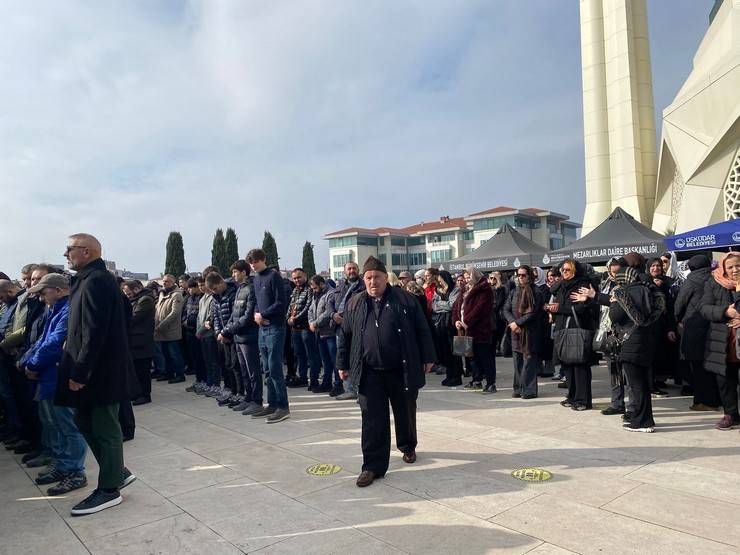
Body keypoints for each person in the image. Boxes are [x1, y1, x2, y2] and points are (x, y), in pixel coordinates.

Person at [337, 256, 435, 487]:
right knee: (372, 419)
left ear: (385, 278)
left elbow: (423, 329)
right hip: (369, 371)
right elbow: (345, 337)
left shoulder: (406, 300)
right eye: (369, 278)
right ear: (364, 279)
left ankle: (407, 446)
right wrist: (342, 364)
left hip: (401, 368)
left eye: (377, 277)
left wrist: (428, 357)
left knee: (405, 410)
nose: (373, 282)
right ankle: (372, 466)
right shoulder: (354, 303)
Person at [57, 233, 137, 516]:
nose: (66, 254)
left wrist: (81, 370)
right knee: (83, 418)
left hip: (99, 371)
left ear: (87, 252)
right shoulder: (87, 280)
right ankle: (117, 470)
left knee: (105, 426)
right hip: (93, 367)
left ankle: (108, 490)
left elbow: (94, 332)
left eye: (70, 249)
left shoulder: (97, 282)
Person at [18, 273, 89, 494]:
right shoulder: (54, 309)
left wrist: (33, 365)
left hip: (58, 374)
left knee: (68, 425)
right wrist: (28, 361)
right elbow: (41, 339)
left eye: (43, 292)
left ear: (59, 290)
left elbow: (54, 343)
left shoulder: (68, 310)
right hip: (48, 376)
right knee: (53, 423)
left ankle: (75, 471)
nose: (40, 297)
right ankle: (63, 464)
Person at [608, 266, 659, 432]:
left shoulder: (623, 293)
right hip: (647, 341)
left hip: (630, 343)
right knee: (643, 383)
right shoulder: (648, 290)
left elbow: (615, 317)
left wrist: (614, 303)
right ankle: (644, 418)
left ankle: (643, 422)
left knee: (637, 386)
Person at [546, 259, 597, 411]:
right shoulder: (561, 286)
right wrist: (552, 309)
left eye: (567, 270)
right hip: (563, 329)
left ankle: (583, 400)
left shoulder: (582, 284)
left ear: (575, 270)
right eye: (562, 270)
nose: (564, 272)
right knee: (567, 364)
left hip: (577, 329)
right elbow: (556, 297)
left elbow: (581, 309)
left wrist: (559, 308)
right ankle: (572, 396)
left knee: (580, 365)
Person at [248, 248, 290, 423]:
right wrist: (257, 315)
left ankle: (283, 406)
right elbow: (257, 301)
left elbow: (281, 303)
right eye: (251, 263)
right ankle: (272, 404)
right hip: (262, 328)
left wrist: (263, 314)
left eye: (256, 261)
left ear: (263, 259)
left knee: (275, 368)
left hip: (275, 328)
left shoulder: (274, 276)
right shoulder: (256, 279)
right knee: (266, 369)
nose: (253, 265)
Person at [674, 255, 720, 410]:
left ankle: (704, 401)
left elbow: (679, 305)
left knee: (698, 368)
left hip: (694, 328)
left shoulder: (691, 281)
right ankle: (716, 399)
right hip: (715, 327)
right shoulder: (717, 278)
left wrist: (677, 319)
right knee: (713, 366)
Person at [700, 252, 740, 431]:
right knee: (725, 382)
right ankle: (731, 415)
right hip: (722, 343)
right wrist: (725, 312)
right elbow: (704, 308)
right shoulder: (713, 283)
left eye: (738, 265)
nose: (735, 270)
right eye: (730, 267)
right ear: (723, 268)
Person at [220, 261, 262, 415]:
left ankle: (257, 401)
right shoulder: (240, 289)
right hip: (238, 337)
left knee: (253, 371)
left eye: (235, 272)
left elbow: (247, 316)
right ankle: (248, 398)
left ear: (244, 272)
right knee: (243, 370)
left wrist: (229, 330)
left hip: (248, 336)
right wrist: (227, 330)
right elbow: (234, 314)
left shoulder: (251, 288)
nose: (233, 275)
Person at [504, 265, 545, 399]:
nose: (520, 278)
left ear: (529, 276)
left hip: (530, 332)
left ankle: (529, 390)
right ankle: (518, 388)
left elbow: (534, 313)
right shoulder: (514, 291)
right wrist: (512, 323)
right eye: (518, 275)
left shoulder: (536, 292)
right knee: (517, 363)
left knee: (529, 363)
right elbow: (506, 309)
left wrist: (518, 323)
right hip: (515, 331)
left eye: (523, 275)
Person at [453, 266, 497, 393]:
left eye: (469, 277)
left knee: (485, 357)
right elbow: (457, 307)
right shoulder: (463, 290)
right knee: (472, 358)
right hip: (465, 330)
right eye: (465, 278)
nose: (467, 280)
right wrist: (456, 320)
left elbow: (480, 309)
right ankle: (476, 380)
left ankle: (490, 383)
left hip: (480, 329)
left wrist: (466, 321)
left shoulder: (485, 290)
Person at [207, 272, 241, 407]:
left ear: (221, 283)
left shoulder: (233, 294)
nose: (214, 292)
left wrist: (226, 333)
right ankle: (232, 392)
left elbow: (234, 316)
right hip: (222, 336)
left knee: (236, 366)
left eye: (215, 288)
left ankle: (240, 393)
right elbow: (215, 317)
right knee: (227, 365)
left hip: (233, 336)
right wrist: (218, 332)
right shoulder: (216, 297)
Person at [333, 261, 366, 400]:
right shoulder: (341, 286)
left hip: (355, 326)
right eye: (349, 269)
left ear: (358, 271)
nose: (351, 271)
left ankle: (361, 390)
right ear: (344, 271)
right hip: (339, 326)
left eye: (354, 268)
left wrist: (346, 317)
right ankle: (348, 388)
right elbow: (330, 302)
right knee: (343, 356)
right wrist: (333, 315)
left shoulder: (363, 286)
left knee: (357, 358)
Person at [647, 257, 678, 397]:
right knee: (651, 357)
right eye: (652, 266)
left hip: (663, 326)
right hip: (649, 326)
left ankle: (657, 381)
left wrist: (671, 328)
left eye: (658, 266)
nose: (656, 268)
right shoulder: (644, 282)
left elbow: (671, 308)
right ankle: (651, 385)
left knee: (660, 356)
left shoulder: (668, 282)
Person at [287, 268, 322, 390]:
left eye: (299, 277)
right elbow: (291, 305)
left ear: (305, 276)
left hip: (306, 328)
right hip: (295, 329)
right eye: (295, 278)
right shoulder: (295, 290)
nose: (297, 280)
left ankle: (314, 380)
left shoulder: (309, 290)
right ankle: (302, 378)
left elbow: (308, 307)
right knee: (299, 355)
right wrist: (288, 318)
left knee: (311, 356)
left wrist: (295, 318)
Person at [122, 280, 155, 406]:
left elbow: (134, 317)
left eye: (129, 293)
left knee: (143, 370)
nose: (128, 296)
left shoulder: (145, 300)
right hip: (134, 340)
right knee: (135, 369)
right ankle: (136, 393)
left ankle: (145, 395)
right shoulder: (135, 300)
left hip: (142, 340)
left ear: (136, 289)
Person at [308, 275, 340, 394]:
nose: (314, 290)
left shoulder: (331, 293)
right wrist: (311, 322)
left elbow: (328, 312)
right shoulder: (316, 295)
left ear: (322, 284)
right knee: (325, 361)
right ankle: (326, 383)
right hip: (320, 333)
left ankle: (338, 384)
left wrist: (315, 323)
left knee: (334, 360)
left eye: (315, 288)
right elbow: (311, 310)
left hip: (330, 332)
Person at [432, 271, 463, 386]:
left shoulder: (455, 290)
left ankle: (456, 376)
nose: (439, 282)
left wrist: (441, 304)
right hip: (441, 325)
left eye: (441, 280)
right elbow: (434, 306)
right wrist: (444, 304)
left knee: (454, 352)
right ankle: (449, 375)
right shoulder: (438, 291)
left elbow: (452, 305)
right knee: (446, 352)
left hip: (452, 325)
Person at [153, 274, 186, 384]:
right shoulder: (162, 294)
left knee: (174, 354)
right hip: (160, 330)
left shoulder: (176, 295)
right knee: (165, 354)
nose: (164, 283)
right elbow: (157, 309)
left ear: (173, 282)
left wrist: (162, 324)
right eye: (163, 281)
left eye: (167, 281)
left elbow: (175, 313)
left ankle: (180, 374)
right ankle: (168, 373)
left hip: (171, 330)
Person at [196, 272, 222, 398]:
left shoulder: (213, 297)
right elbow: (199, 317)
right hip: (202, 334)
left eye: (203, 285)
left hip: (209, 333)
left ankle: (215, 384)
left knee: (213, 361)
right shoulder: (202, 299)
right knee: (206, 361)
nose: (201, 287)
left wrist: (202, 329)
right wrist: (198, 330)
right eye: (199, 285)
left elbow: (210, 317)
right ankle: (210, 382)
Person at [182, 278, 206, 394]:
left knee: (201, 358)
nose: (190, 290)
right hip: (189, 331)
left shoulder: (201, 297)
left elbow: (198, 315)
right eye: (188, 288)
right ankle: (198, 380)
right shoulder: (188, 298)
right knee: (194, 358)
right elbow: (185, 312)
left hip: (198, 332)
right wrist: (184, 321)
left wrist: (189, 321)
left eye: (192, 288)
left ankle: (204, 381)